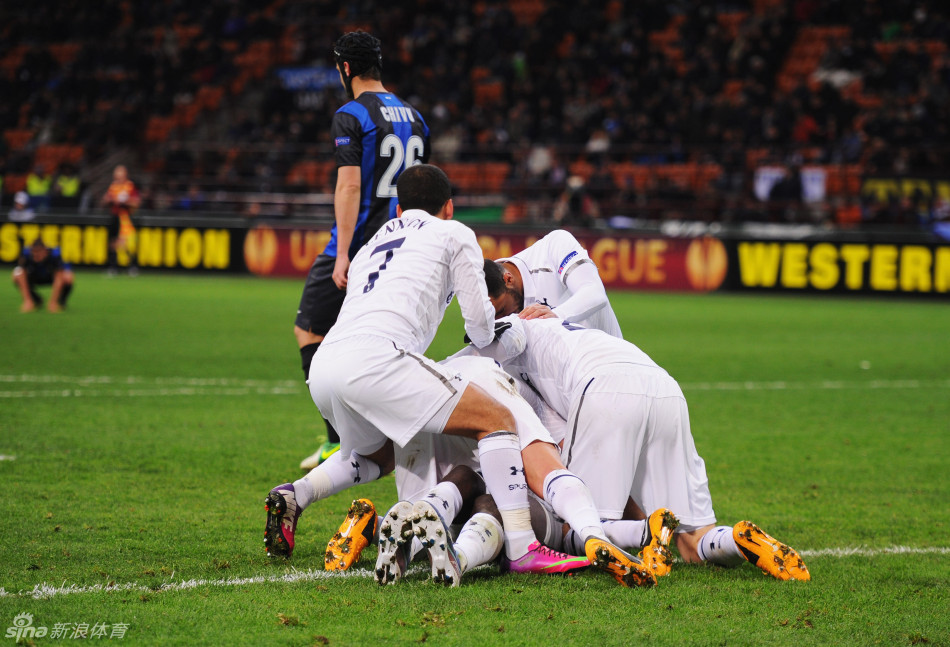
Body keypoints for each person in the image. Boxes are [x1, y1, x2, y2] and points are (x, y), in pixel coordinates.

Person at [264, 164, 653, 588]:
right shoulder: (454, 235)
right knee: (496, 419)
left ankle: (296, 494)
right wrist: (505, 323)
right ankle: (523, 546)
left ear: (398, 208)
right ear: (449, 207)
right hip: (378, 358)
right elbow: (481, 327)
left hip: (326, 364)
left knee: (378, 455)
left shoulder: (373, 242)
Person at [459, 298, 811, 582]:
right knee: (694, 541)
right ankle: (734, 539)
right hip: (664, 388)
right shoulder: (571, 330)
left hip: (605, 389)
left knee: (579, 528)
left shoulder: (511, 335)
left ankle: (646, 531)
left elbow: (502, 344)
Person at [295, 30, 431, 471]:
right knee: (386, 339)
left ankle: (342, 443)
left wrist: (342, 255)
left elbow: (350, 184)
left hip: (360, 245)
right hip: (403, 243)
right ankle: (401, 441)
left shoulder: (351, 114)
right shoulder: (415, 117)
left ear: (345, 68)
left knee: (311, 330)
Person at [489, 229, 622, 338]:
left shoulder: (554, 247)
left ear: (508, 279)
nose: (500, 321)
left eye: (501, 311)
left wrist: (556, 315)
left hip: (609, 363)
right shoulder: (483, 307)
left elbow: (594, 291)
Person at [12, 239, 74, 313]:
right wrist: (27, 300)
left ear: (45, 251)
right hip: (34, 277)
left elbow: (59, 276)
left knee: (68, 276)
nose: (36, 254)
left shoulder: (54, 254)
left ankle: (60, 301)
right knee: (16, 274)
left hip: (50, 277)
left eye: (39, 251)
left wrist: (53, 302)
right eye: (34, 252)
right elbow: (22, 274)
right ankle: (35, 300)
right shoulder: (26, 254)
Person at [100, 164, 141, 276]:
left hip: (126, 218)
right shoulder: (113, 186)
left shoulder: (130, 186)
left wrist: (124, 202)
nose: (117, 175)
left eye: (120, 173)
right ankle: (113, 266)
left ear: (125, 174)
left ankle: (132, 266)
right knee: (113, 242)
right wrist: (109, 200)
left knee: (127, 242)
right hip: (114, 216)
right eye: (116, 173)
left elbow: (136, 202)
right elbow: (104, 201)